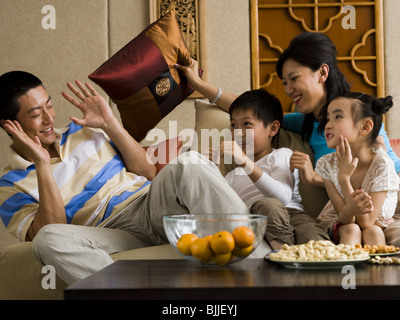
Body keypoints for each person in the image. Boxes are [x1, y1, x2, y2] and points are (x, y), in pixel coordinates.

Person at [0, 71, 250, 284]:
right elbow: (54, 228)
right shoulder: (9, 184)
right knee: (46, 239)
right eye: (35, 113)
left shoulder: (82, 131)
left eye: (49, 105)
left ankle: (253, 266)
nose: (49, 118)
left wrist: (110, 123)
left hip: (149, 205)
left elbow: (147, 172)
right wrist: (43, 165)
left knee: (189, 161)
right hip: (107, 233)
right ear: (10, 125)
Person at [176, 32, 400, 246]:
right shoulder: (303, 122)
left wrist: (314, 178)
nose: (289, 89)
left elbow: (378, 176)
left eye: (294, 78)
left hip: (388, 206)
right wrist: (198, 85)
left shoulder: (357, 119)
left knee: (379, 234)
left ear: (322, 73)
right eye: (284, 82)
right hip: (349, 216)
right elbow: (254, 113)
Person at [213, 89, 328, 250]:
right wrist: (213, 168)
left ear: (273, 128)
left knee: (314, 237)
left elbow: (282, 198)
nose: (238, 133)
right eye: (233, 125)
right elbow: (220, 205)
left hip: (292, 215)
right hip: (255, 221)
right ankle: (284, 254)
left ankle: (318, 263)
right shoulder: (233, 175)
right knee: (267, 205)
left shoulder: (282, 155)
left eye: (247, 124)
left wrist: (246, 162)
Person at [315, 92, 399, 245]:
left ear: (365, 127)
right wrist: (343, 178)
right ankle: (346, 267)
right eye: (328, 118)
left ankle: (380, 265)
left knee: (373, 231)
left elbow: (367, 222)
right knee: (351, 229)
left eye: (338, 117)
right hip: (341, 222)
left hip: (374, 223)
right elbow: (344, 217)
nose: (328, 124)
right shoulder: (326, 164)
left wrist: (344, 180)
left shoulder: (382, 164)